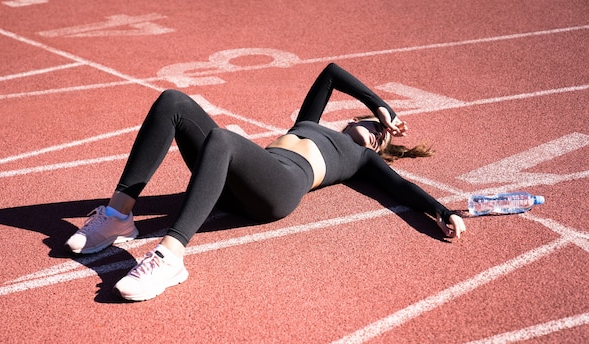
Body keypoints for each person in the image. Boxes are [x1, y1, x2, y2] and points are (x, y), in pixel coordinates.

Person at [65, 63, 466, 301]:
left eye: (380, 140)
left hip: (278, 193)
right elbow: (331, 73)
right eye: (371, 127)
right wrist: (381, 107)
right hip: (236, 177)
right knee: (173, 100)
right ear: (354, 120)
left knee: (222, 137)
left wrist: (440, 210)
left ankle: (170, 258)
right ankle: (119, 215)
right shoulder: (307, 123)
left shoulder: (361, 159)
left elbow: (401, 189)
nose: (374, 134)